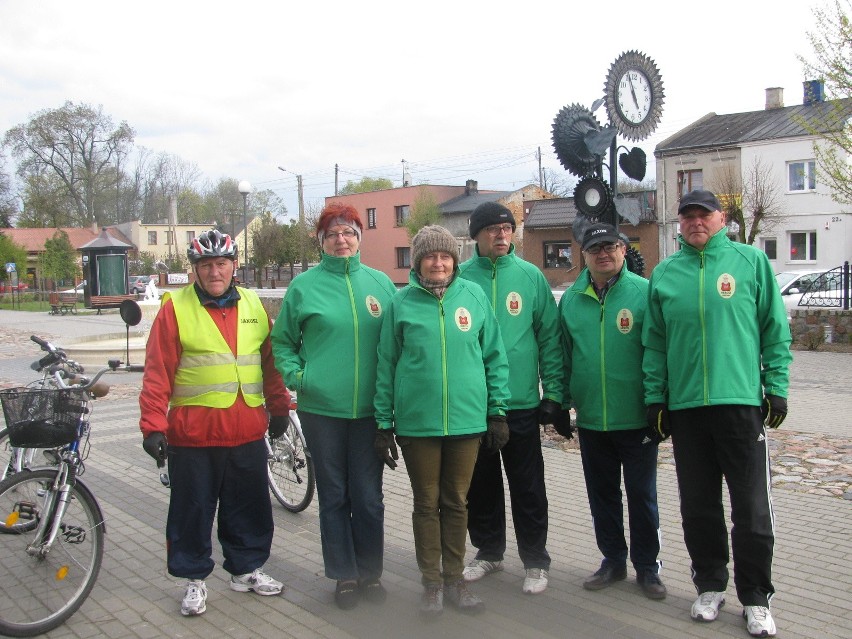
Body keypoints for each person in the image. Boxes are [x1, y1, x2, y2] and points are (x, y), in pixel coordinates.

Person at [642, 189, 791, 638]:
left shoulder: (749, 263)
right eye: (687, 217)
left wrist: (776, 389)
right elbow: (655, 343)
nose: (695, 223)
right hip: (688, 410)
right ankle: (709, 585)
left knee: (750, 508)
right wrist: (656, 398)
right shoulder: (666, 273)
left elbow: (774, 331)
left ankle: (757, 598)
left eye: (703, 215)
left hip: (740, 406)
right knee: (699, 506)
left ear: (720, 218)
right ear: (680, 224)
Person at [139, 229, 290, 617]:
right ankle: (194, 580)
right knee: (193, 511)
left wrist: (279, 408)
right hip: (194, 437)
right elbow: (158, 372)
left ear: (234, 266)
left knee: (250, 509)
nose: (214, 271)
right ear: (195, 269)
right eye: (206, 265)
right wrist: (153, 426)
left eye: (221, 263)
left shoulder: (255, 305)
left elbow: (269, 365)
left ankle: (247, 570)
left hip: (246, 433)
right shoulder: (176, 308)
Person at [374, 224, 510, 618]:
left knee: (456, 503)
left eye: (445, 256)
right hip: (418, 426)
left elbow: (494, 357)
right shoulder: (401, 303)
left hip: (468, 422)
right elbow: (386, 365)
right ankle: (431, 583)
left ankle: (455, 579)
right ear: (418, 262)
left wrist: (497, 411)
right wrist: (384, 423)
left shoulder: (473, 296)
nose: (438, 263)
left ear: (455, 259)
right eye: (430, 256)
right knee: (426, 503)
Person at [271, 203, 397, 610]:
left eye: (348, 232)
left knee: (368, 496)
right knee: (334, 494)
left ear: (359, 237)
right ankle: (344, 574)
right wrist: (300, 377)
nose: (340, 240)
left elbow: (399, 344)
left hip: (369, 413)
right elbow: (282, 343)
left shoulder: (381, 285)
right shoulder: (304, 287)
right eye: (332, 234)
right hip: (321, 411)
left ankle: (371, 572)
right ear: (322, 242)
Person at [458, 201, 563, 595]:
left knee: (528, 486)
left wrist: (553, 393)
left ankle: (535, 560)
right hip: (474, 405)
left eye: (507, 228)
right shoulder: (461, 278)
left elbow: (550, 339)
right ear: (477, 236)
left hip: (520, 403)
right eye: (493, 229)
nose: (501, 235)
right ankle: (489, 550)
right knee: (480, 485)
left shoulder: (530, 277)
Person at [556, 223, 666, 600]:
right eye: (594, 248)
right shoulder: (572, 299)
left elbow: (655, 351)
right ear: (583, 255)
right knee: (602, 495)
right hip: (592, 419)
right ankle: (613, 560)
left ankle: (648, 568)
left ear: (623, 249)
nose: (603, 253)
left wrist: (656, 400)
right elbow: (564, 357)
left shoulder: (643, 293)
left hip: (636, 418)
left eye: (610, 246)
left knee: (641, 495)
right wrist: (560, 401)